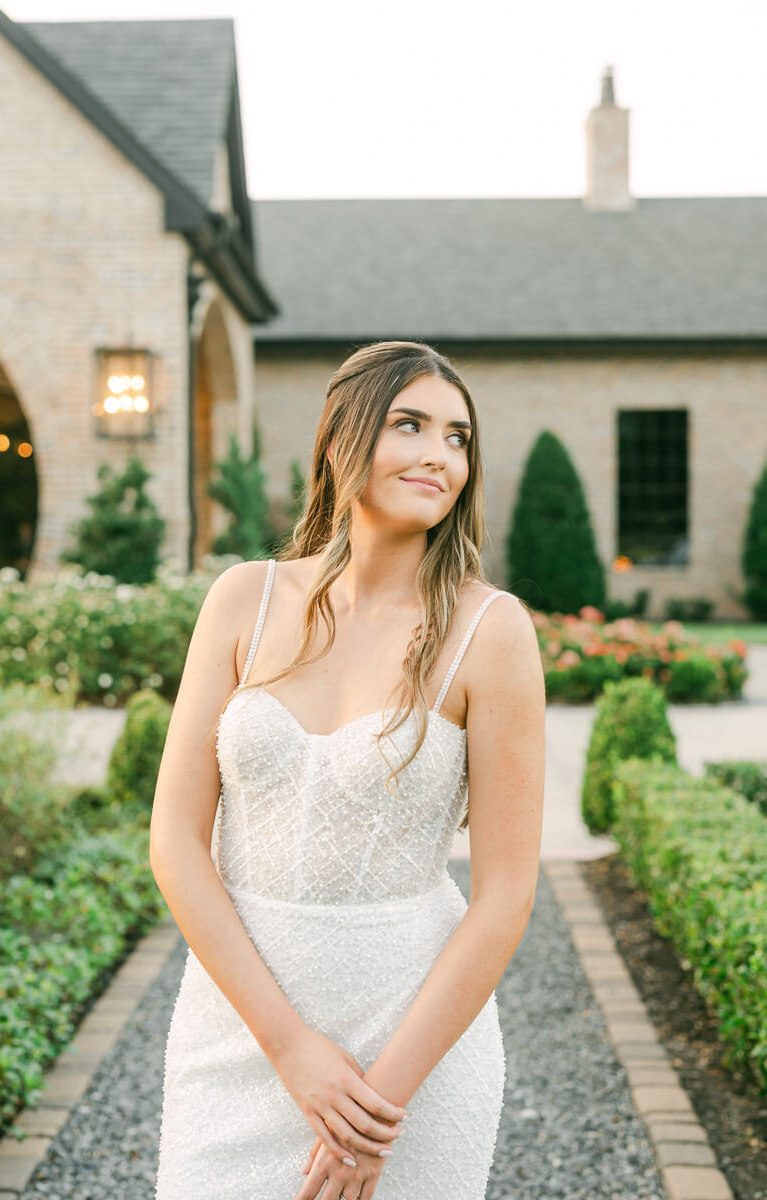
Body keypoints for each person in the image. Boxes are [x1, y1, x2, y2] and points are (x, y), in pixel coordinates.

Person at [150, 340, 545, 1200]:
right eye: (411, 425)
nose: (440, 454)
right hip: (240, 1031)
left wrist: (377, 1110)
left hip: (408, 1049)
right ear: (340, 440)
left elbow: (507, 896)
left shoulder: (492, 632)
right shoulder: (240, 601)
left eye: (459, 437)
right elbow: (176, 843)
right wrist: (289, 1048)